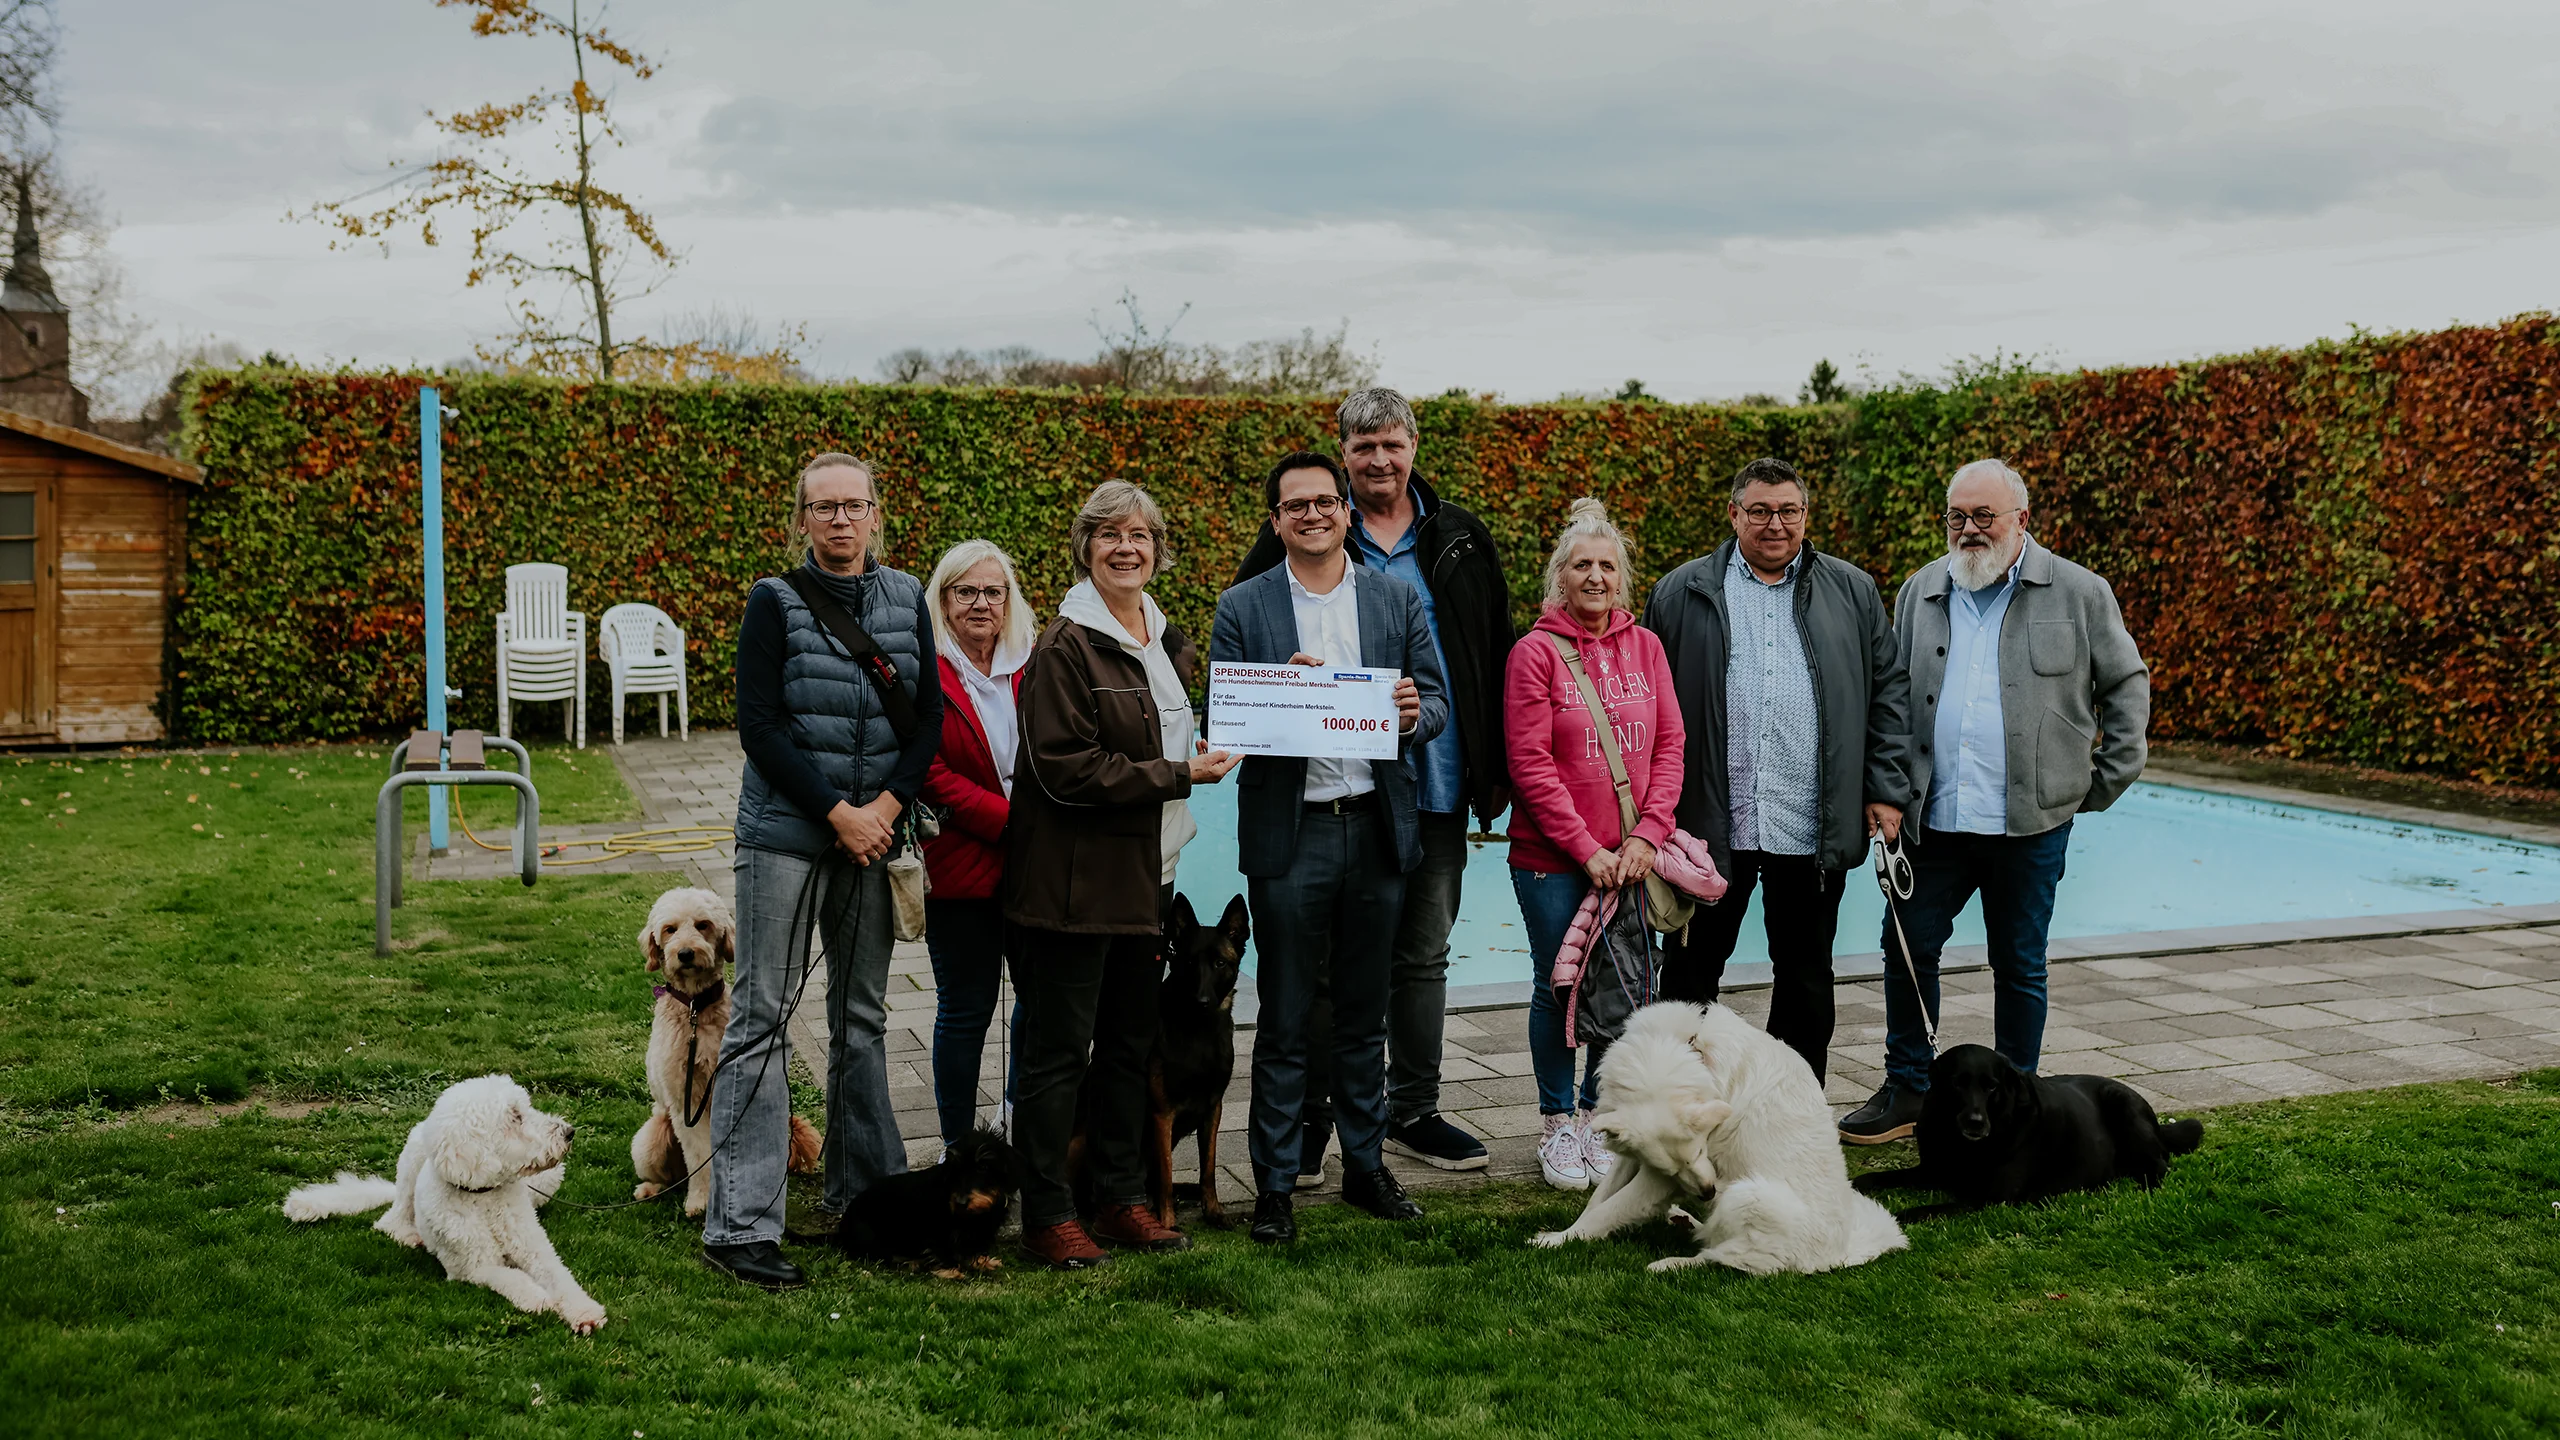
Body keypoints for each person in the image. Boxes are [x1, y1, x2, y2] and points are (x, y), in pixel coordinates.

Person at [1231, 388, 1514, 1175]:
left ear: (1413, 446)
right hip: (1330, 794)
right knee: (1328, 969)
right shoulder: (1294, 533)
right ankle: (1319, 1120)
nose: (1379, 460)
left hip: (1436, 782)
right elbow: (1244, 670)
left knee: (1422, 955)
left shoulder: (1459, 536)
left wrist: (1496, 765)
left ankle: (1412, 1111)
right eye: (1363, 447)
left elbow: (1493, 648)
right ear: (1344, 455)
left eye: (1391, 444)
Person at [1837, 460, 2149, 1143]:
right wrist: (1885, 789)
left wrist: (2100, 781)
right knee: (1907, 949)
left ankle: (2020, 1097)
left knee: (2020, 963)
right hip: (1935, 820)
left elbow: (2126, 683)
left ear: (2022, 522)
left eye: (1985, 517)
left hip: (2030, 824)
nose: (1970, 530)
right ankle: (1909, 1087)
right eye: (1958, 517)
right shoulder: (1921, 589)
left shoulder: (2079, 591)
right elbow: (1891, 699)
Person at [710, 452, 944, 1291]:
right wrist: (837, 813)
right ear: (801, 519)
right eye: (824, 508)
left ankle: (867, 1201)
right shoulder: (772, 603)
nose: (841, 521)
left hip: (873, 833)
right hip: (783, 833)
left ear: (877, 514)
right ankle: (740, 1225)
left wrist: (884, 808)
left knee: (863, 1017)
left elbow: (929, 721)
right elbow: (760, 726)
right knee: (762, 1020)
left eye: (855, 506)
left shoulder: (910, 597)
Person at [1001, 481, 1240, 1268]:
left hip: (1150, 879)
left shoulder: (1163, 638)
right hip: (1074, 889)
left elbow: (1195, 725)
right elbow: (1067, 768)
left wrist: (1286, 690)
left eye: (1139, 534)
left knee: (1130, 1049)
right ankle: (1046, 1213)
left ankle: (1119, 1198)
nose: (1126, 547)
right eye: (1109, 535)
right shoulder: (1065, 647)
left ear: (1158, 547)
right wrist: (1176, 775)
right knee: (1059, 1054)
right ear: (1085, 547)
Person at [1211, 450, 1446, 1245]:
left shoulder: (1393, 597)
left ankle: (1364, 1169)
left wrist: (1415, 714)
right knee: (1282, 1017)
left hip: (1375, 825)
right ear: (1275, 521)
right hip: (1293, 831)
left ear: (1346, 511)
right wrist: (1282, 688)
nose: (1311, 515)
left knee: (1362, 1012)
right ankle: (1275, 1186)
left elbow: (1436, 700)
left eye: (1324, 502)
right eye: (1294, 506)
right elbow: (1227, 709)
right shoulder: (1242, 606)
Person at [1641, 457, 1911, 1084]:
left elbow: (1889, 694)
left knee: (1806, 978)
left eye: (1788, 510)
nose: (1775, 523)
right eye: (1759, 510)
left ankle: (1792, 1113)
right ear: (1733, 514)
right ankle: (1676, 1105)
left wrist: (1885, 789)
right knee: (1687, 978)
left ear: (1805, 516)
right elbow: (1647, 701)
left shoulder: (1853, 591)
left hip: (1808, 824)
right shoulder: (1680, 592)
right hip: (1710, 827)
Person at [1505, 498, 1687, 1190]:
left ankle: (1598, 1118)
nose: (1595, 576)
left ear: (1622, 577)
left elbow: (1670, 744)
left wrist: (1647, 836)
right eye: (1581, 564)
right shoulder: (1534, 654)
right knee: (1560, 988)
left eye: (1607, 565)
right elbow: (1530, 764)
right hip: (1556, 862)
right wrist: (1587, 850)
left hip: (1633, 860)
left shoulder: (1646, 647)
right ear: (1560, 577)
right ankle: (1557, 1126)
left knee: (1622, 989)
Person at [918, 539, 1036, 1151]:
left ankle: (1019, 1122)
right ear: (943, 600)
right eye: (966, 591)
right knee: (965, 1010)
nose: (981, 604)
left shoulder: (1035, 660)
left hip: (1036, 859)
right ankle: (957, 1144)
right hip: (962, 858)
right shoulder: (925, 668)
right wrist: (1004, 818)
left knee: (1036, 1004)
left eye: (994, 591)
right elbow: (926, 769)